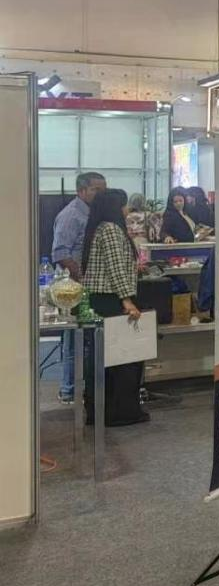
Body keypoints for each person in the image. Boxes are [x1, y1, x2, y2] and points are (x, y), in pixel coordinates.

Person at [80, 190, 149, 426]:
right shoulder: (110, 229)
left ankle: (101, 410)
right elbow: (115, 267)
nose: (126, 209)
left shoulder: (99, 228)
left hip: (103, 298)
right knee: (122, 358)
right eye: (123, 205)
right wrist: (127, 300)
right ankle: (119, 411)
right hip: (111, 299)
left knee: (105, 357)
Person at [51, 171, 106, 404]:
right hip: (73, 288)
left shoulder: (95, 214)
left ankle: (83, 389)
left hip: (90, 285)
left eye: (103, 189)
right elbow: (61, 253)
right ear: (81, 190)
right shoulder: (71, 215)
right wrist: (81, 279)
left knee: (88, 339)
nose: (101, 194)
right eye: (96, 189)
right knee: (74, 339)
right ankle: (69, 389)